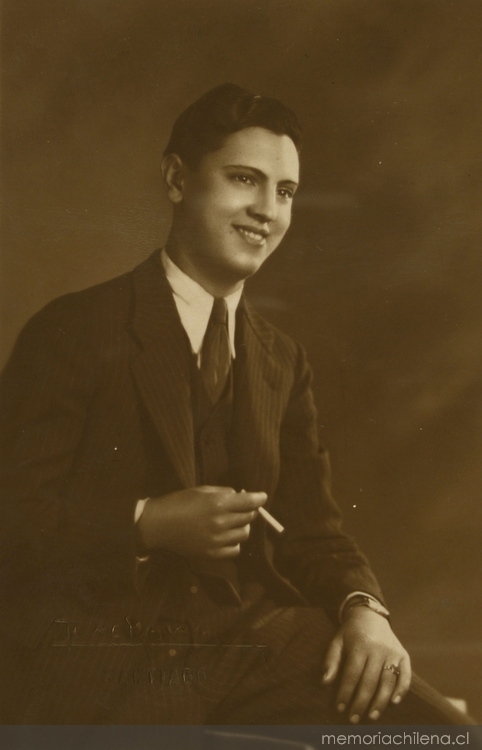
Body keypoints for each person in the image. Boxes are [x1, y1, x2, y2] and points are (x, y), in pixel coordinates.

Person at [0, 83, 470, 726]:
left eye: (285, 192)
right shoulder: (76, 329)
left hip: (245, 645)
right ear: (175, 178)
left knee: (443, 734)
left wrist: (365, 608)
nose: (266, 210)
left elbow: (314, 533)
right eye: (244, 179)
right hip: (92, 654)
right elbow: (13, 517)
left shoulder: (280, 361)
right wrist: (147, 522)